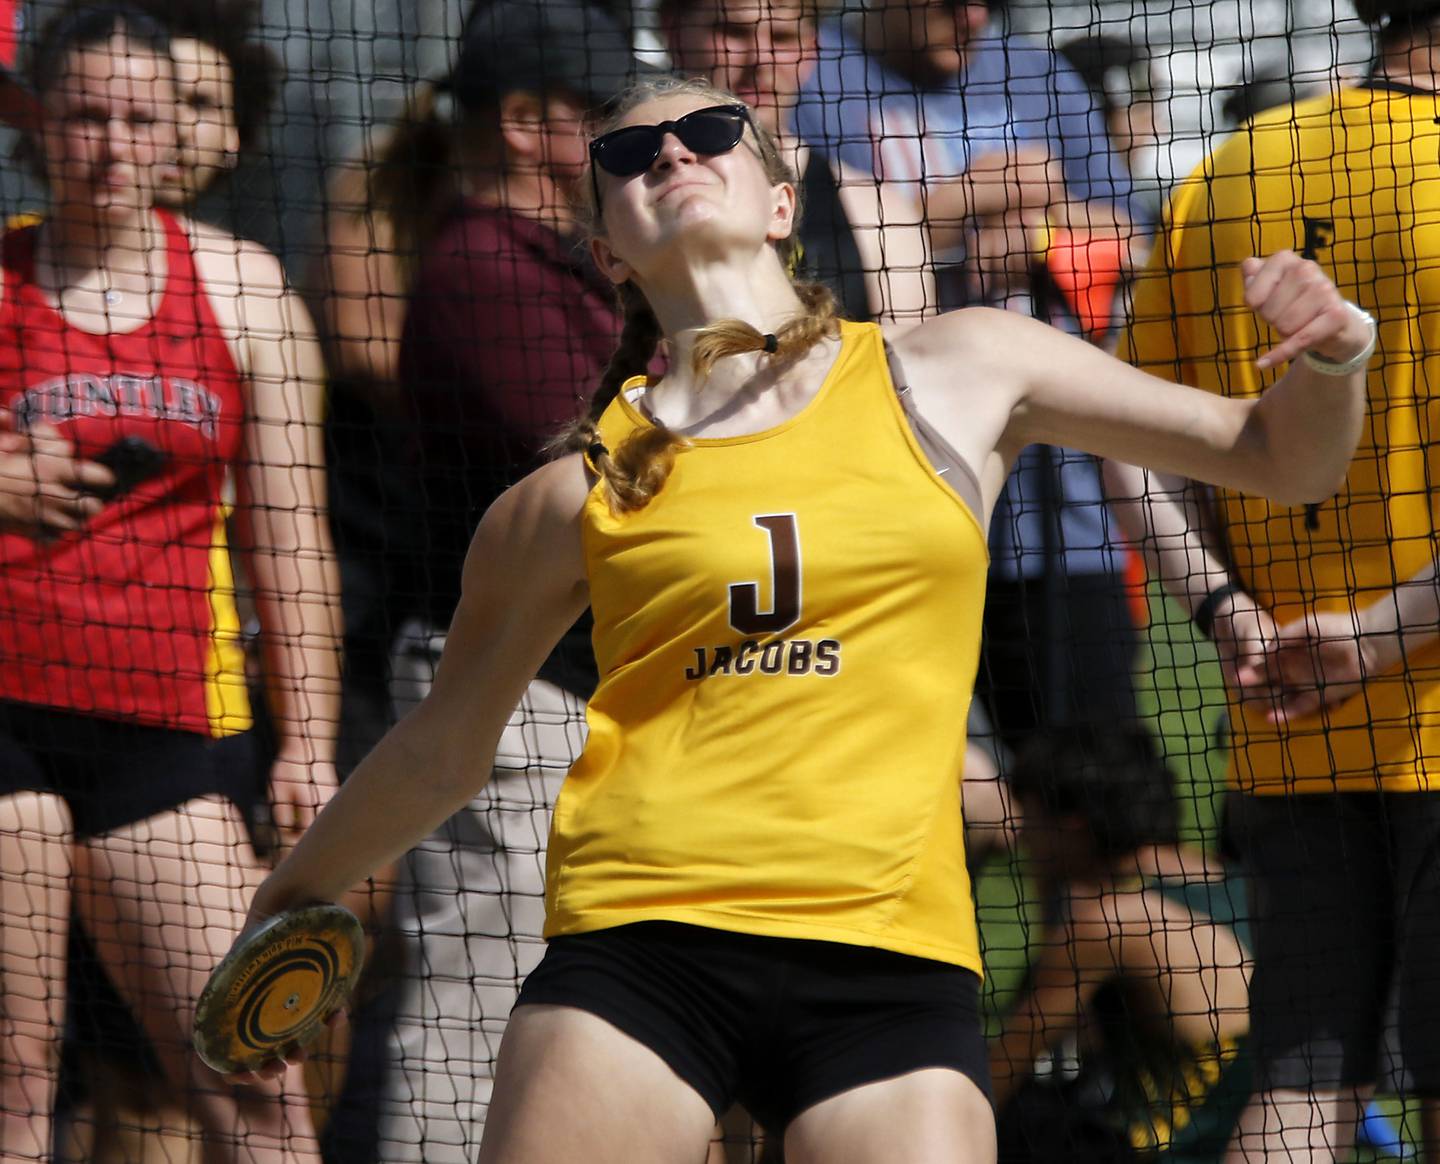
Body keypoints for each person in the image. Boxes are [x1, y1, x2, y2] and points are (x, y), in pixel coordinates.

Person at [222, 76, 1371, 1164]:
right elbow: (439, 749)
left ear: (783, 201)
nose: (670, 152)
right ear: (607, 247)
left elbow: (1281, 458)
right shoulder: (565, 494)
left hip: (890, 964)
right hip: (641, 947)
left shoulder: (961, 368)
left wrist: (1331, 355)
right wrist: (288, 902)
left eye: (710, 132)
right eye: (628, 153)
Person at [0, 4, 339, 1160]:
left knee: (257, 1089)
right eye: (84, 116)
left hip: (161, 727)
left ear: (176, 133)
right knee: (19, 1077)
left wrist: (308, 745)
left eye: (137, 118)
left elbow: (291, 539)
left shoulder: (246, 292)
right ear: (36, 127)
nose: (110, 144)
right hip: (5, 718)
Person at [1110, 2, 1440, 1159]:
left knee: (1302, 1089)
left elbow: (1131, 441)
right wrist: (1386, 634)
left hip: (1287, 723)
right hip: (1403, 703)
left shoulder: (1231, 167)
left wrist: (1230, 615)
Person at [332, 3, 652, 1159]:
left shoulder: (565, 255)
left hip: (591, 697)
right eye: (605, 118)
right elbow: (611, 466)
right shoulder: (480, 265)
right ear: (524, 126)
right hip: (513, 707)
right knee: (480, 1018)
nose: (639, 142)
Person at [792, 0, 1149, 760]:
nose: (974, 15)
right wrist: (940, 215)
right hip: (888, 508)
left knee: (1093, 799)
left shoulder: (1036, 72)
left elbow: (1139, 240)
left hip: (1059, 510)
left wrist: (1044, 232)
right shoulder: (809, 76)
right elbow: (793, 258)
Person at [989, 728, 1252, 1162]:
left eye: (1029, 816)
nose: (1022, 837)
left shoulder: (1111, 923)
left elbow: (1002, 1070)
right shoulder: (1221, 877)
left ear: (1072, 822)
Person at [659, 0, 933, 326]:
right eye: (733, 32)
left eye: (782, 37)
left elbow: (903, 367)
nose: (760, 58)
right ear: (673, 34)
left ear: (810, 51)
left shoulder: (878, 213)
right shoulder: (635, 199)